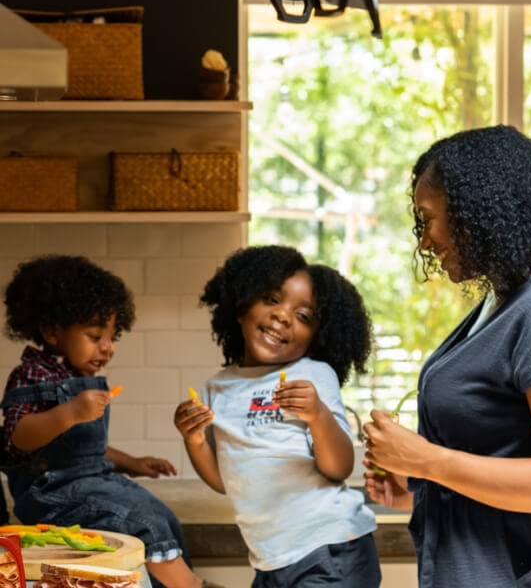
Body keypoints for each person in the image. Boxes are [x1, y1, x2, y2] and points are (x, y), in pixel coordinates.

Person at [363, 124, 531, 588]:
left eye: (427, 218)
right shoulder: (502, 301)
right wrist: (421, 489)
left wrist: (428, 462)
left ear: (477, 211)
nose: (425, 240)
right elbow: (502, 457)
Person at [0, 255, 222, 588]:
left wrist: (131, 462)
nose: (108, 349)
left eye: (112, 337)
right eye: (94, 336)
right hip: (50, 493)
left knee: (163, 516)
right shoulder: (32, 375)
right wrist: (69, 412)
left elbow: (82, 449)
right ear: (51, 331)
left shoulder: (76, 376)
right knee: (143, 522)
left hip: (92, 480)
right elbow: (18, 437)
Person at [174, 245, 381, 587]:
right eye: (271, 299)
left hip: (331, 549)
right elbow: (226, 481)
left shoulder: (313, 375)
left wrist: (317, 415)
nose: (283, 316)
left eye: (303, 316)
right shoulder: (217, 389)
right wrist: (194, 440)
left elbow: (340, 468)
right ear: (240, 306)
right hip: (270, 561)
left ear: (317, 339)